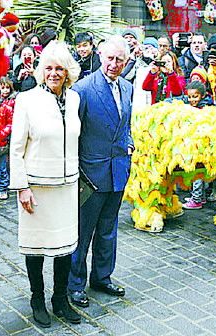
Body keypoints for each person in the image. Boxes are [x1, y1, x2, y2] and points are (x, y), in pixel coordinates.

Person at [9, 41, 82, 327]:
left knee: (65, 247)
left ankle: (60, 299)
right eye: (49, 68)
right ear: (42, 71)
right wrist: (22, 187)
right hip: (36, 188)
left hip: (66, 186)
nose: (54, 73)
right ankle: (37, 298)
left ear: (68, 72)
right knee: (36, 247)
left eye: (59, 68)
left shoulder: (74, 99)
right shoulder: (26, 100)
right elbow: (16, 148)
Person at [68, 35, 134, 308]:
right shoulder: (83, 88)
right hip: (90, 174)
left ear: (127, 61)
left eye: (120, 59)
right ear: (100, 56)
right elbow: (73, 133)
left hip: (118, 170)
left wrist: (129, 144)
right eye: (110, 58)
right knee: (82, 233)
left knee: (108, 228)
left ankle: (102, 277)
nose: (114, 64)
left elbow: (126, 123)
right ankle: (75, 284)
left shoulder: (128, 88)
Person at [182, 81, 212, 210]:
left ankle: (196, 199)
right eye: (189, 97)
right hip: (196, 144)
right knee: (199, 171)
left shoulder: (204, 110)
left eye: (195, 96)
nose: (191, 100)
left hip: (200, 145)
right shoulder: (196, 108)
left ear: (203, 96)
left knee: (197, 172)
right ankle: (201, 197)